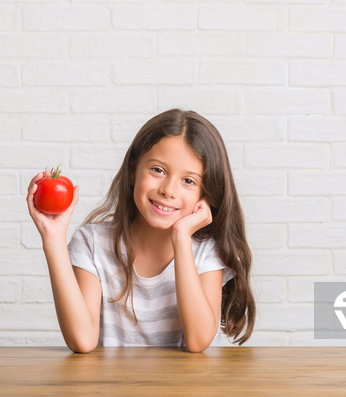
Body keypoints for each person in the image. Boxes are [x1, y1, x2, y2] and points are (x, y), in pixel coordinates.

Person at [27, 109, 256, 353]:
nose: (169, 190)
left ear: (205, 193)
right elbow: (82, 340)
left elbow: (198, 341)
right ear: (133, 170)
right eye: (158, 170)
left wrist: (181, 238)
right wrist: (53, 238)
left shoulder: (207, 251)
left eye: (188, 181)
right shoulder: (92, 244)